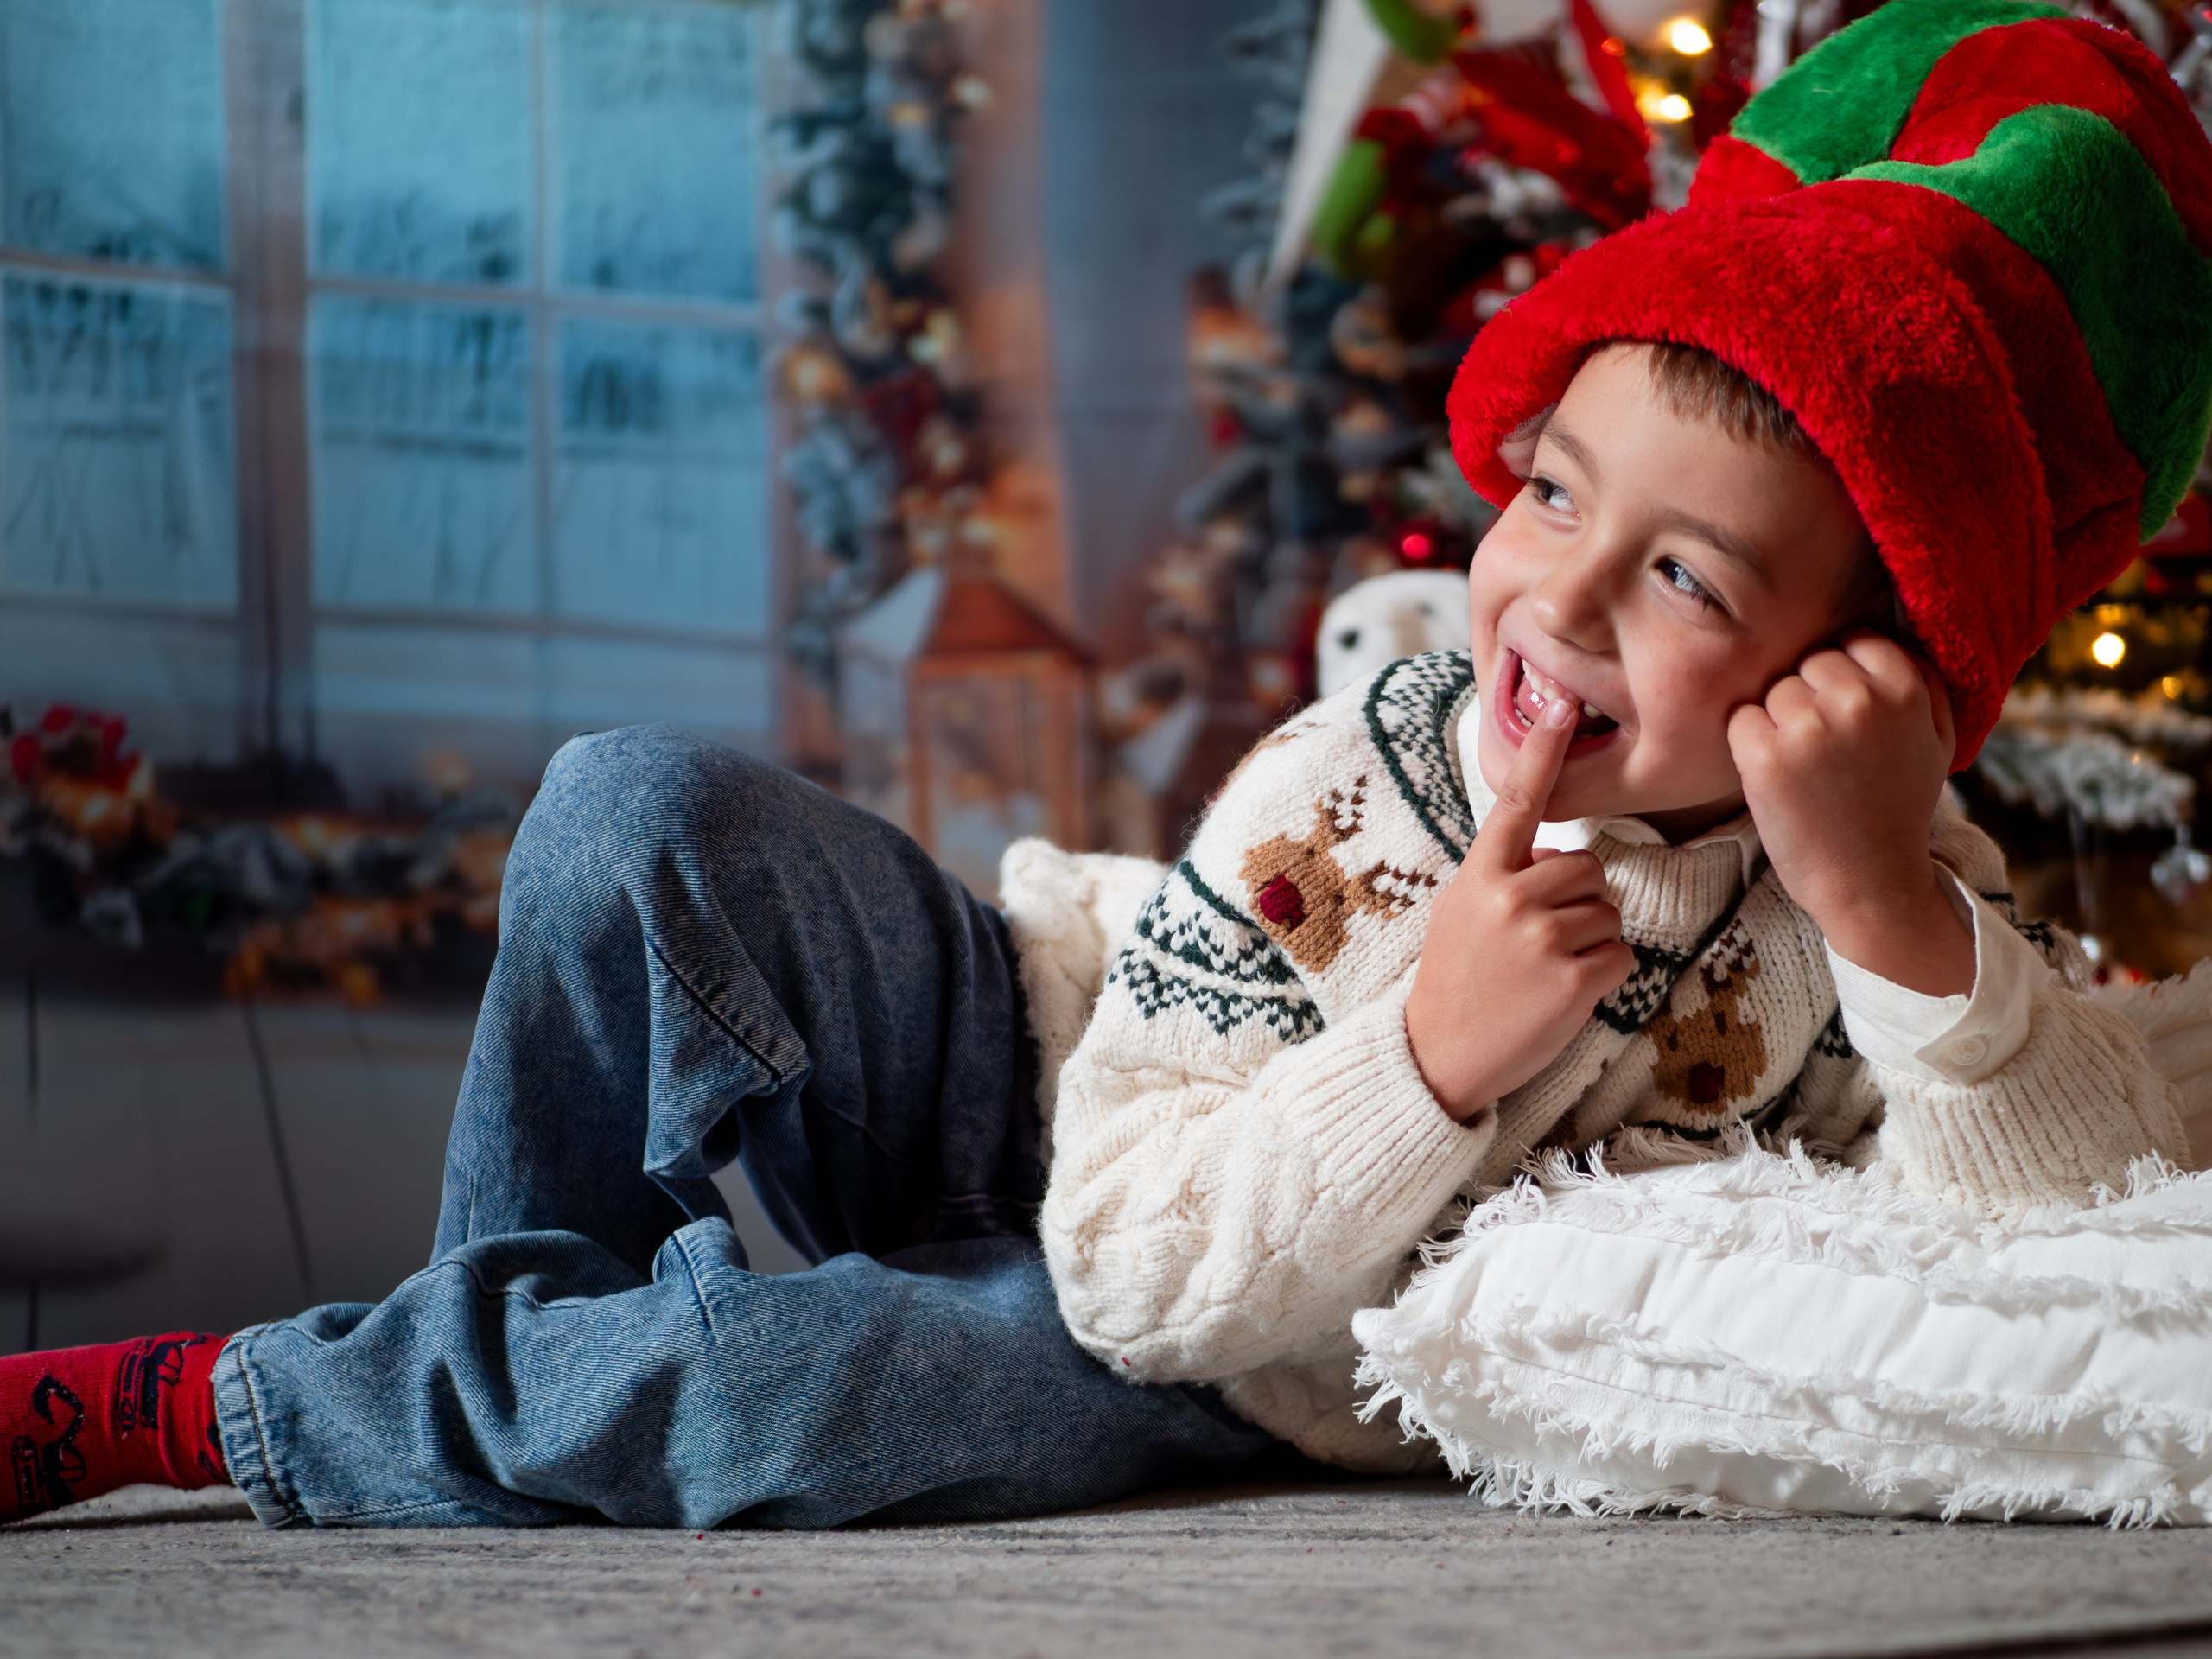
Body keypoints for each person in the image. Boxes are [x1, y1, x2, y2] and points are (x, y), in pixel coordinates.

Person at [4, 0, 2208, 1525]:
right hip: (1063, 1093)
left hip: (1215, 1353)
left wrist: (1878, 898)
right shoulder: (1355, 782)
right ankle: (490, 1395)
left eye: (1687, 585)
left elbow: (2048, 1237)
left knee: (782, 1385)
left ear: (1864, 678)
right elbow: (1128, 1218)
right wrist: (1422, 1057)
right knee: (629, 810)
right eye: (1550, 494)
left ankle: (232, 1408)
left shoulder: (1866, 896)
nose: (1549, 599)